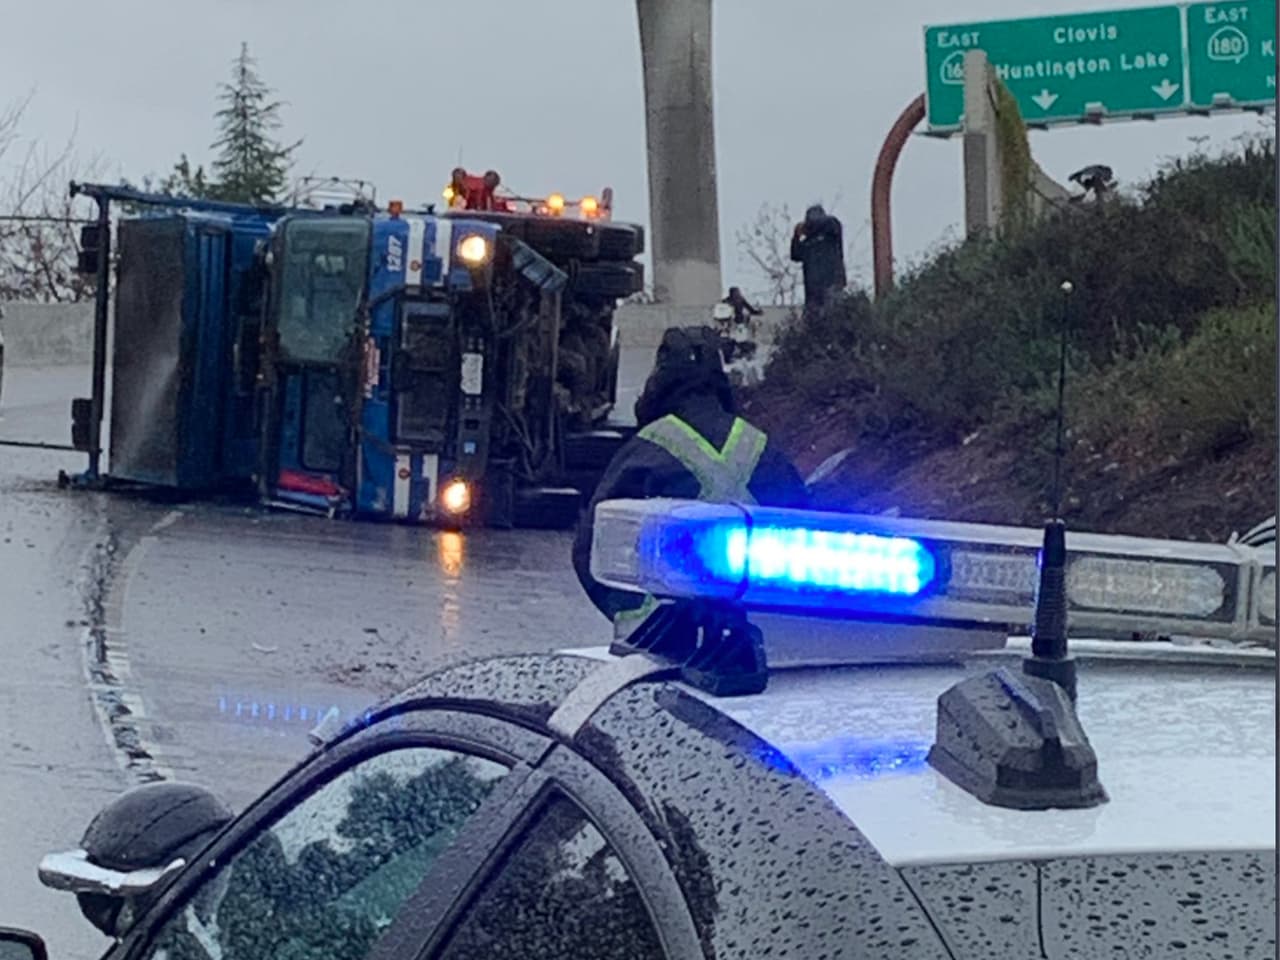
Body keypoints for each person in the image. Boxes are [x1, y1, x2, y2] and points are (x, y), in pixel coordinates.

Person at [572, 326, 808, 638]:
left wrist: (634, 614)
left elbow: (590, 548)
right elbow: (803, 541)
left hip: (657, 649)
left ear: (659, 379)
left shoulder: (646, 449)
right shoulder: (762, 448)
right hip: (753, 649)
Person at [789, 204, 847, 313]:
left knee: (833, 315)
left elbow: (830, 223)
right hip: (813, 291)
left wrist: (809, 225)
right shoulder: (808, 243)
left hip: (832, 284)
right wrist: (796, 236)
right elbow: (795, 255)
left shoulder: (831, 232)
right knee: (813, 321)